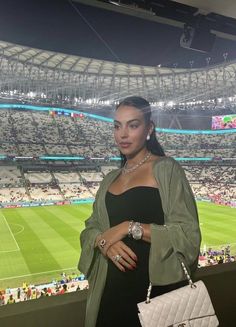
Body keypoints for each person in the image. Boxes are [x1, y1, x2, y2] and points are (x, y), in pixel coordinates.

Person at [78, 96, 201, 327]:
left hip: (155, 299)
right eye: (117, 126)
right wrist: (104, 242)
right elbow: (91, 228)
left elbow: (188, 235)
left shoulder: (167, 169)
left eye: (132, 125)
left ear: (149, 129)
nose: (122, 134)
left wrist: (128, 228)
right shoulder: (109, 179)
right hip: (109, 297)